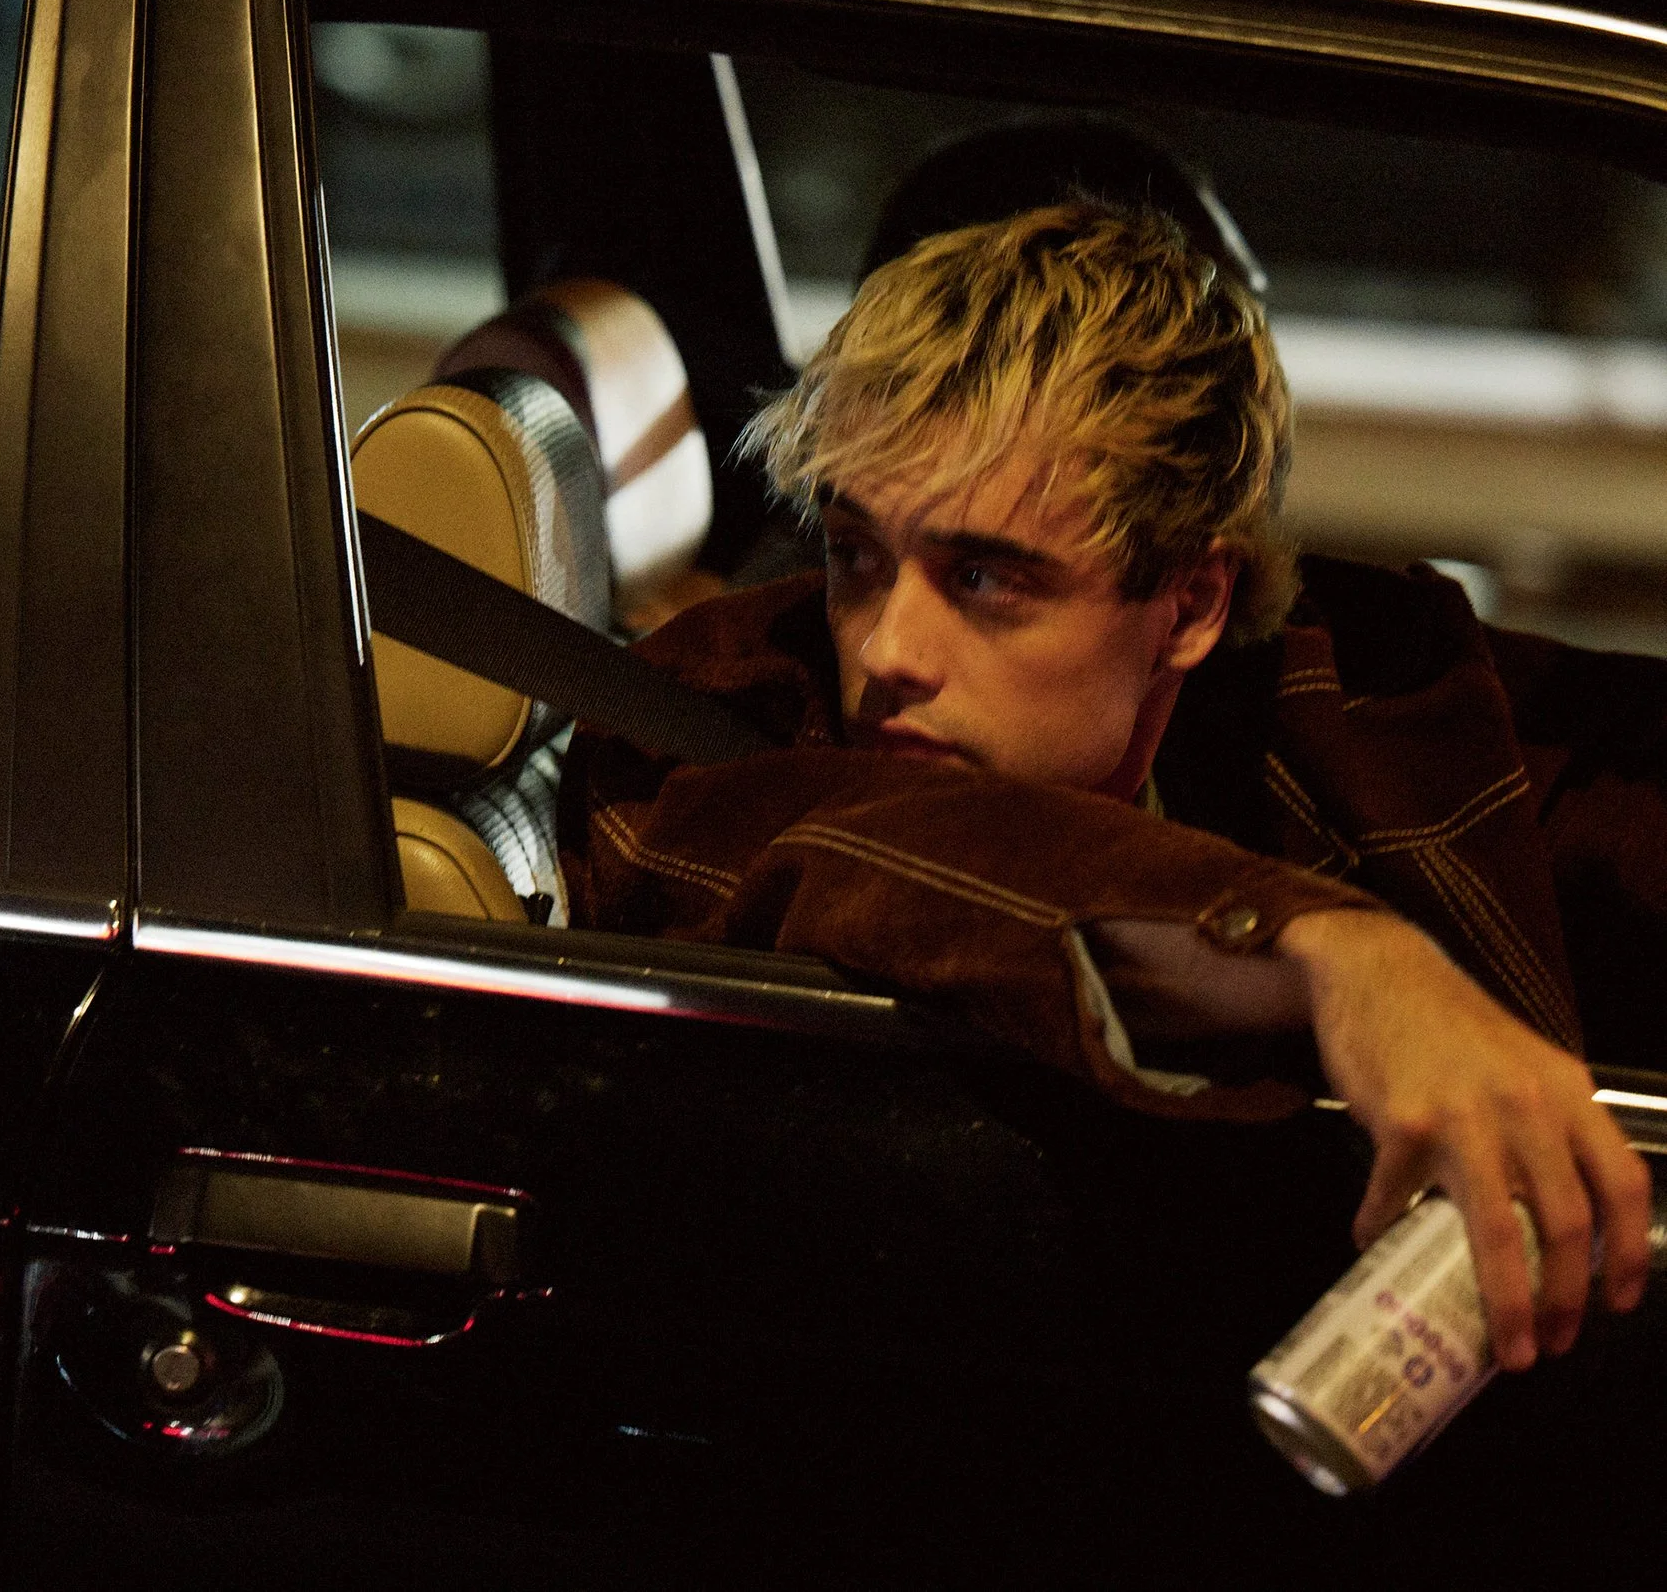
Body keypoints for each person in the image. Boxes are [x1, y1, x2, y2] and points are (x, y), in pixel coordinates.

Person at [558, 190, 1655, 1379]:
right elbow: (882, 849)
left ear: (1188, 607)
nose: (885, 651)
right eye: (855, 557)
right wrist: (1350, 961)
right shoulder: (700, 725)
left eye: (983, 579)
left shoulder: (1371, 701)